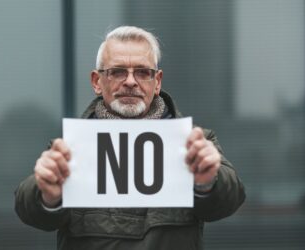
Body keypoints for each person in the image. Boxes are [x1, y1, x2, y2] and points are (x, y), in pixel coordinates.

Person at [15, 26, 245, 250]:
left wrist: (207, 183)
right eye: (117, 72)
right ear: (97, 82)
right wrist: (48, 196)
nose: (131, 81)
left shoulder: (195, 144)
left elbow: (229, 200)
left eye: (143, 72)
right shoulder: (70, 147)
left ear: (157, 82)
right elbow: (29, 210)